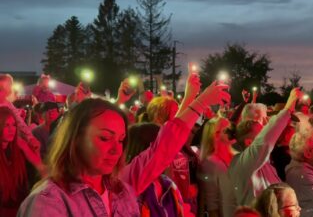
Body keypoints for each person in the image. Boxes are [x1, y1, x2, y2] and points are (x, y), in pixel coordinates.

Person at [18, 80, 230, 216]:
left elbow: (160, 151)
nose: (116, 150)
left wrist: (199, 102)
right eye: (104, 138)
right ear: (75, 139)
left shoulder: (121, 189)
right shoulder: (49, 203)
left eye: (120, 140)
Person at [224, 88, 302, 216]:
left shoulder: (264, 162)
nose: (265, 130)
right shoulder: (242, 162)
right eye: (261, 132)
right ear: (249, 143)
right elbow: (264, 142)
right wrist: (288, 109)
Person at [0, 107, 41, 217]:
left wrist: (35, 153)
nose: (11, 129)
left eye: (13, 125)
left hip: (21, 210)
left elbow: (36, 176)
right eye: (6, 125)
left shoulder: (19, 152)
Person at [197, 117, 236, 217]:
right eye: (225, 130)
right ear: (215, 135)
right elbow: (212, 206)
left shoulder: (234, 156)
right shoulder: (211, 163)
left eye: (229, 129)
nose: (230, 133)